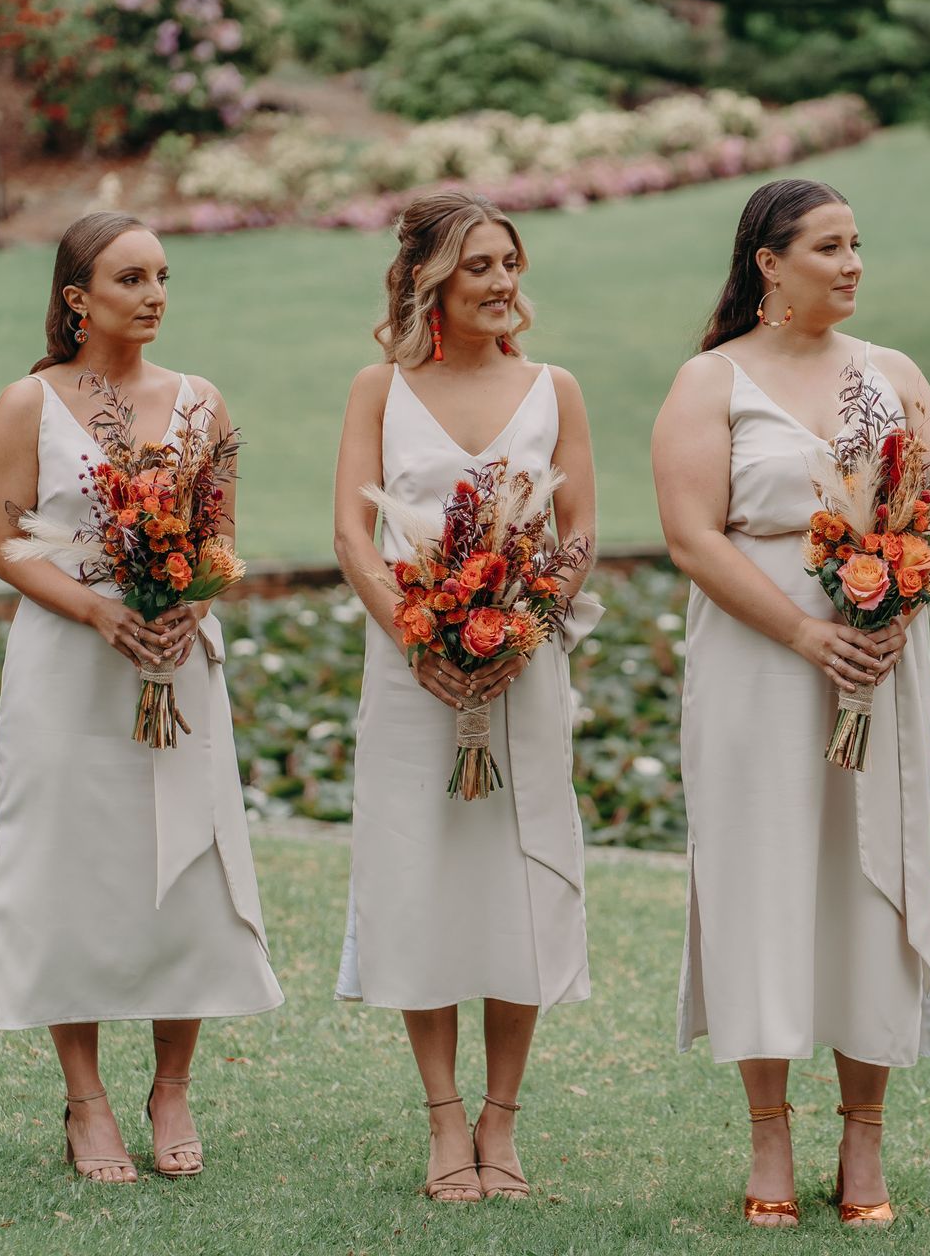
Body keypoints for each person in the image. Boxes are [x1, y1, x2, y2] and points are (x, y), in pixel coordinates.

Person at [651, 178, 930, 1228]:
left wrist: (905, 599)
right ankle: (770, 1129)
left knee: (869, 873)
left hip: (879, 656)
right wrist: (801, 630)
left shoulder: (895, 374)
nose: (852, 263)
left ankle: (865, 1136)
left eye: (858, 244)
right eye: (829, 246)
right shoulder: (712, 381)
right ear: (768, 263)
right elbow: (693, 535)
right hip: (758, 662)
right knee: (763, 875)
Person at [0, 211, 283, 1183]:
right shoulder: (29, 403)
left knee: (183, 867)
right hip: (69, 662)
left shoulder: (202, 403)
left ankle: (173, 1084)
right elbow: (7, 541)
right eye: (130, 278)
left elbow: (222, 538)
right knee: (71, 868)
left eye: (162, 276)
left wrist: (193, 598)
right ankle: (86, 1095)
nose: (154, 295)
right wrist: (100, 613)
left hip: (176, 663)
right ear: (76, 298)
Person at [331, 190, 600, 1203]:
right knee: (420, 878)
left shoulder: (553, 387)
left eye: (510, 263)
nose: (502, 283)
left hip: (523, 671)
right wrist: (419, 635)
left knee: (519, 881)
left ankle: (503, 1117)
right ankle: (445, 1117)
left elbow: (576, 535)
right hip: (411, 676)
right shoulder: (379, 388)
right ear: (430, 279)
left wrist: (524, 624)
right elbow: (354, 536)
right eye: (480, 265)